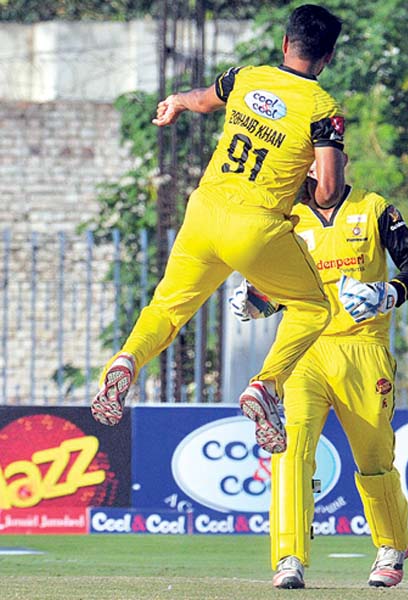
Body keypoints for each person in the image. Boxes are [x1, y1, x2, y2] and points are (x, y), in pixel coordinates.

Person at [90, 4, 347, 458]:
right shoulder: (323, 109)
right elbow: (327, 193)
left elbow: (203, 99)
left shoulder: (245, 77)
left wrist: (175, 103)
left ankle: (125, 361)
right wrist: (308, 182)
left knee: (167, 309)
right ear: (327, 58)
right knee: (312, 307)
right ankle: (266, 388)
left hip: (204, 212)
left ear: (285, 44)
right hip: (256, 227)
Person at [229, 163, 408, 589]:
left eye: (328, 166)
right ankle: (289, 557)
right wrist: (256, 301)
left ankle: (392, 544)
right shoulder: (288, 220)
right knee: (291, 449)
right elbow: (280, 294)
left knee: (374, 457)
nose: (319, 176)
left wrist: (386, 293)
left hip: (364, 349)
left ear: (343, 167)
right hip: (304, 350)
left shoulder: (373, 209)